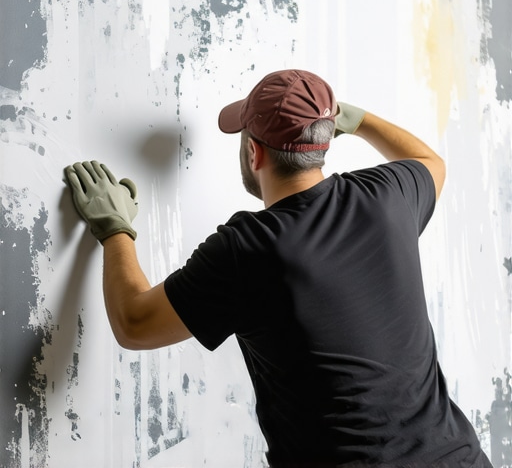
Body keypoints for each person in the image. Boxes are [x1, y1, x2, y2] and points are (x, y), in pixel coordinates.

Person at [64, 69, 491, 468]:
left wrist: (114, 229)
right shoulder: (389, 197)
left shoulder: (247, 249)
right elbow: (431, 161)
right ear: (327, 137)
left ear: (254, 152)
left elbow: (134, 324)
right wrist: (357, 120)